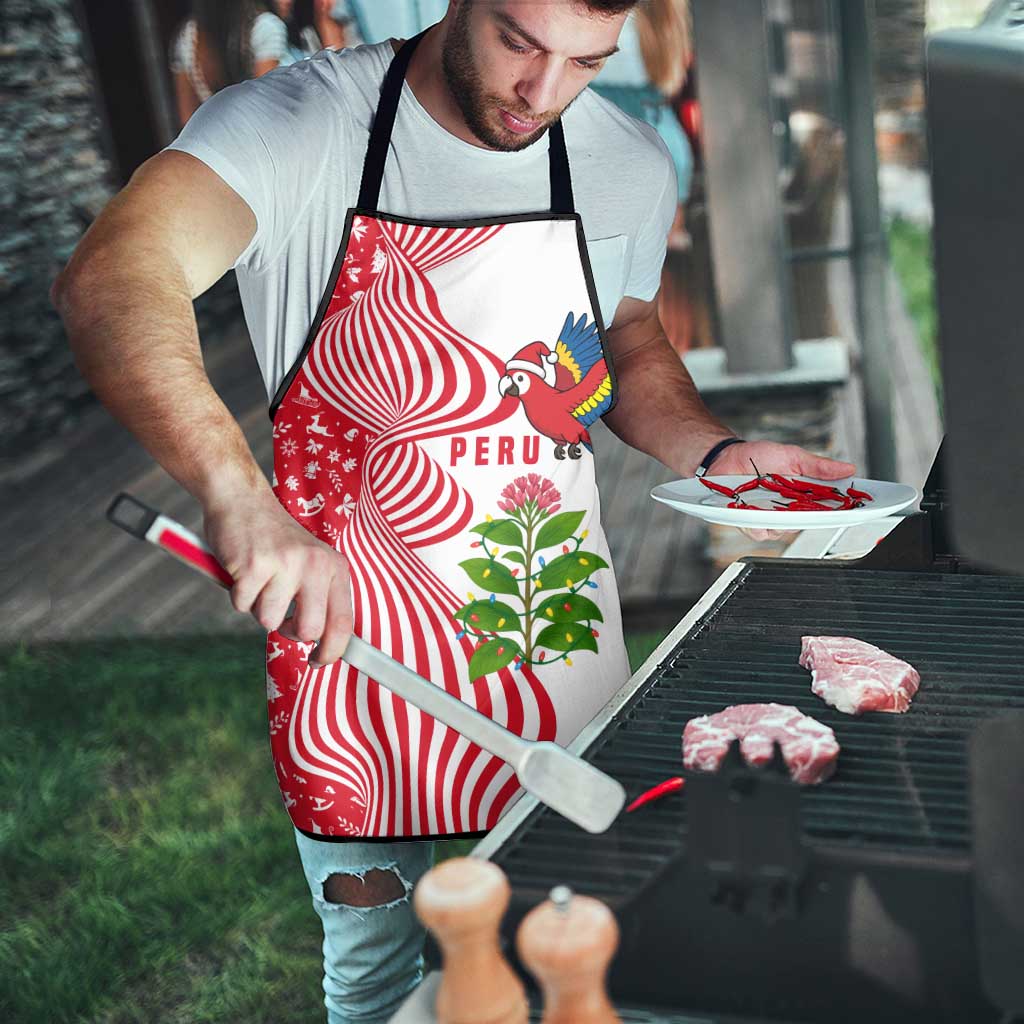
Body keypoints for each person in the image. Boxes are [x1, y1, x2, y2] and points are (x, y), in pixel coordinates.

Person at [52, 2, 856, 1020]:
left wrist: (716, 448)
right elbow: (113, 275)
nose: (543, 93)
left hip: (546, 641)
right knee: (381, 977)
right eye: (520, 42)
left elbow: (625, 334)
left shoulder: (624, 159)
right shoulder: (298, 125)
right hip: (350, 662)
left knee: (571, 955)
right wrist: (235, 495)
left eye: (585, 62)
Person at [169, 0, 289, 127]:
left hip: (215, 140)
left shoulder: (188, 37)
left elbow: (187, 120)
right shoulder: (266, 27)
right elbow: (266, 107)